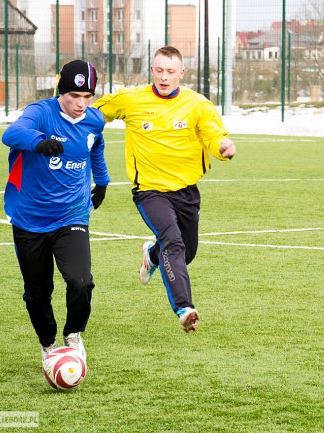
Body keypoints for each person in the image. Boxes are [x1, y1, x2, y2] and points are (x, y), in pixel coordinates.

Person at [93, 46, 236, 333]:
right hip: (150, 191)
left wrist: (222, 148)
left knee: (187, 253)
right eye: (159, 70)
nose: (164, 77)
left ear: (181, 73)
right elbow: (94, 112)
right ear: (152, 71)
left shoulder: (197, 104)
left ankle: (152, 255)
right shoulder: (132, 100)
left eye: (170, 71)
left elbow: (213, 135)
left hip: (186, 191)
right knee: (173, 240)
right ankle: (184, 308)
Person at [2, 60, 110, 362]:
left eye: (87, 96)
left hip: (72, 214)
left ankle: (73, 334)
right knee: (37, 292)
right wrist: (39, 142)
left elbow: (96, 147)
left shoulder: (94, 120)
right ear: (60, 90)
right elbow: (11, 134)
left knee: (80, 281)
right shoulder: (40, 112)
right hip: (29, 217)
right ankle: (48, 343)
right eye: (74, 96)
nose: (81, 104)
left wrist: (102, 181)